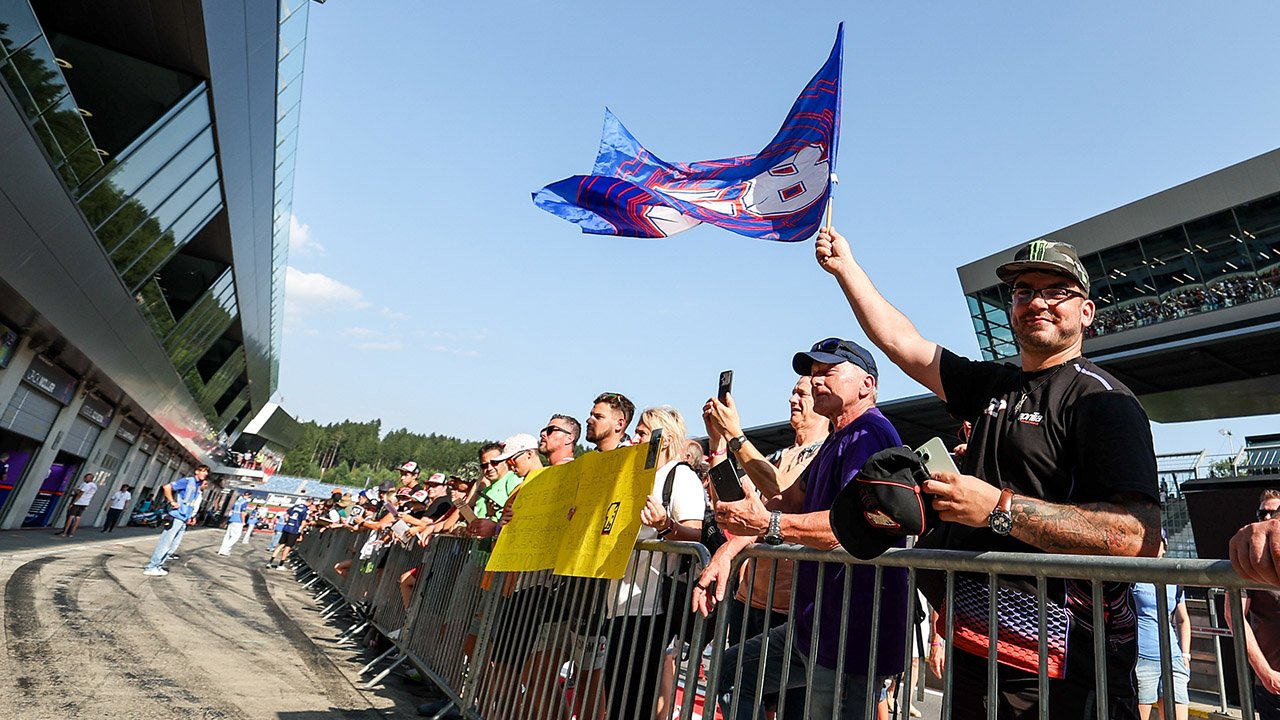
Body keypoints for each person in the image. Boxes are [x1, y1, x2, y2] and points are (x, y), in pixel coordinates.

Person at [813, 226, 1160, 718]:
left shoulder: (1102, 401)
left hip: (1063, 670)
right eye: (1024, 291)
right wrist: (846, 267)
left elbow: (1138, 537)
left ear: (1086, 312)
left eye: (1057, 291)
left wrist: (999, 510)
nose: (1037, 302)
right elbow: (901, 342)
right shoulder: (994, 384)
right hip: (975, 645)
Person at [694, 338, 907, 720]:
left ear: (867, 385)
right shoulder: (837, 439)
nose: (815, 382)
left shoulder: (869, 433)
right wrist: (726, 553)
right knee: (730, 671)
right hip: (816, 622)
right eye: (813, 374)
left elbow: (850, 526)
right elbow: (785, 501)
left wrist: (767, 523)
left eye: (828, 372)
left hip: (851, 631)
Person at [702, 376, 829, 720]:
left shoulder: (824, 454)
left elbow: (782, 498)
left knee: (790, 708)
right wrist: (717, 445)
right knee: (739, 691)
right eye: (792, 391)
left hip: (789, 607)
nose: (792, 398)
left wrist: (736, 436)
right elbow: (736, 509)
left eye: (801, 393)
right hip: (750, 599)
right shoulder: (777, 454)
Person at [601, 405, 705, 720]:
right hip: (618, 601)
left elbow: (696, 534)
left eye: (643, 433)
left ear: (665, 438)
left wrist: (664, 526)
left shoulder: (680, 476)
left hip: (651, 604)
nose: (634, 438)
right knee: (617, 694)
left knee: (634, 698)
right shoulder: (635, 477)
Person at [1227, 490, 1280, 720]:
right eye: (1263, 512)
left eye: (1275, 512)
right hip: (1274, 683)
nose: (1268, 518)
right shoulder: (1251, 556)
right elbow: (1233, 615)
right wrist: (1265, 672)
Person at [1134, 536, 1191, 720]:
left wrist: (1185, 654)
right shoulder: (1131, 576)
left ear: (1165, 547)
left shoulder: (1172, 581)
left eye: (1157, 541)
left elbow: (1183, 620)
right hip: (1141, 658)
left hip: (1172, 658)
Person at [143, 466, 210, 576]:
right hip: (177, 516)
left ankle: (158, 566)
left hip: (184, 518)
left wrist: (191, 517)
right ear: (196, 471)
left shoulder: (198, 486)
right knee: (165, 543)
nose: (205, 473)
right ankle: (152, 566)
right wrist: (172, 502)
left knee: (173, 545)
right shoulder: (187, 481)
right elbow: (167, 487)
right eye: (203, 471)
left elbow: (191, 503)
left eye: (206, 472)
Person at [268, 497, 311, 569]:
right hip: (294, 530)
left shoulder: (295, 506)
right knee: (287, 547)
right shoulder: (305, 510)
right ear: (310, 503)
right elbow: (303, 521)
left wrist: (288, 522)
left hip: (287, 527)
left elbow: (286, 516)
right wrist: (300, 530)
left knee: (281, 545)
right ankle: (281, 564)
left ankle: (270, 562)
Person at [219, 491, 251, 555]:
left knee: (227, 535)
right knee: (235, 536)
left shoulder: (237, 501)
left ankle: (221, 549)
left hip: (232, 519)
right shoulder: (245, 502)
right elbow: (242, 513)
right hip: (238, 520)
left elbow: (232, 510)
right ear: (249, 495)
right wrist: (243, 522)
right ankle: (226, 549)